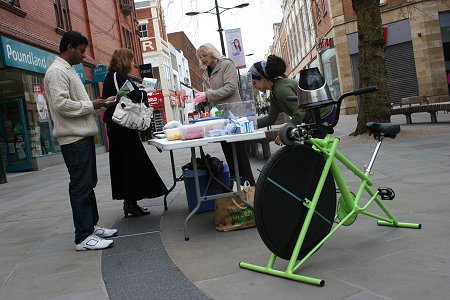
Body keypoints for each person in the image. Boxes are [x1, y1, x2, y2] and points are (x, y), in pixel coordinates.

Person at [44, 31, 118, 251]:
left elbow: (76, 104)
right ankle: (83, 236)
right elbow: (61, 105)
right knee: (80, 186)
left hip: (81, 137)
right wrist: (91, 105)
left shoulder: (68, 70)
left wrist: (101, 103)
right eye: (81, 51)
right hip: (73, 139)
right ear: (69, 47)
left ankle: (91, 226)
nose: (84, 56)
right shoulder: (57, 72)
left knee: (87, 184)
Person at [102, 48, 168, 218]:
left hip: (117, 126)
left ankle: (130, 202)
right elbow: (129, 96)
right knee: (132, 163)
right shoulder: (119, 76)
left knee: (126, 164)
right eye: (131, 60)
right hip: (122, 128)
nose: (132, 64)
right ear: (124, 60)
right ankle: (130, 203)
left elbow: (119, 96)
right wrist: (143, 91)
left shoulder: (112, 76)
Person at [193, 43, 255, 186]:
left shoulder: (226, 65)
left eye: (205, 55)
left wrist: (207, 95)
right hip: (220, 118)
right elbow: (211, 95)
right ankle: (237, 187)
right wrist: (204, 100)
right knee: (228, 154)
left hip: (234, 117)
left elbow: (230, 87)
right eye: (200, 57)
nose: (203, 59)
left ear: (212, 53)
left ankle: (251, 188)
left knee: (239, 155)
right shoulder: (207, 72)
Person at [249, 55, 335, 144]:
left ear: (262, 78)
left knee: (311, 151)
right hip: (315, 117)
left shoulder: (280, 89)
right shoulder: (274, 92)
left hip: (323, 114)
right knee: (310, 150)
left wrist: (287, 131)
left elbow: (299, 111)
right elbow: (270, 119)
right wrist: (248, 124)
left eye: (254, 83)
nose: (255, 87)